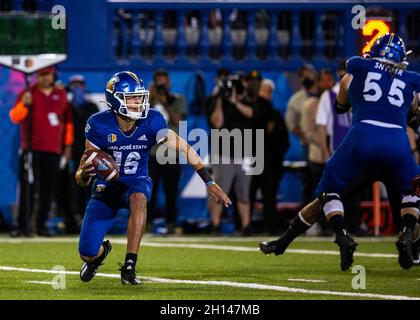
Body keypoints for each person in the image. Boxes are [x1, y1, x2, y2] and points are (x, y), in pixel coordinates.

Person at [259, 33, 420, 271]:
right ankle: (407, 234)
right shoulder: (411, 80)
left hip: (361, 139)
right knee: (412, 191)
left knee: (327, 193)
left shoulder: (354, 69)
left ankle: (343, 236)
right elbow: (414, 118)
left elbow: (341, 105)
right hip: (395, 143)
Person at [75, 71, 230, 285]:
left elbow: (185, 148)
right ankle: (100, 254)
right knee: (87, 252)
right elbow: (82, 178)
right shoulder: (98, 124)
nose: (139, 102)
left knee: (139, 198)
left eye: (140, 97)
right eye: (132, 98)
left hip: (136, 180)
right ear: (116, 99)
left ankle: (129, 266)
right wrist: (83, 173)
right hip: (107, 186)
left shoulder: (152, 120)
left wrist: (209, 181)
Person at [9, 66, 74, 237]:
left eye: (48, 74)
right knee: (27, 188)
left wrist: (67, 146)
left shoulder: (61, 95)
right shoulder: (28, 93)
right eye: (42, 75)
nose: (45, 78)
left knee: (48, 189)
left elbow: (67, 123)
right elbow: (15, 117)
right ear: (37, 76)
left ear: (53, 75)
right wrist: (24, 103)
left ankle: (41, 225)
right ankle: (22, 226)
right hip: (31, 149)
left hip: (53, 149)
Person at [206, 69, 255, 236]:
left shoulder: (248, 100)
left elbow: (252, 114)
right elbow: (217, 122)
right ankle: (215, 225)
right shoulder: (217, 101)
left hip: (245, 152)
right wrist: (220, 98)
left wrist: (235, 101)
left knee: (244, 193)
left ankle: (246, 225)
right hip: (223, 153)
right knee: (219, 191)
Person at [55, 75, 99, 234]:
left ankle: (87, 218)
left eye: (79, 84)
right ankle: (72, 219)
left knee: (89, 186)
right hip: (70, 153)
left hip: (89, 152)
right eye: (73, 84)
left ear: (84, 86)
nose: (77, 87)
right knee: (71, 186)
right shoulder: (65, 107)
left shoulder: (91, 107)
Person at [148, 69, 186, 234]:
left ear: (169, 83)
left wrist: (164, 102)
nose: (162, 86)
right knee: (149, 191)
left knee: (171, 191)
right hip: (152, 152)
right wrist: (150, 97)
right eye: (159, 82)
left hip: (171, 152)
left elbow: (177, 120)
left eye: (164, 82)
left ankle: (171, 223)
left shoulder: (177, 99)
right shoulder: (148, 100)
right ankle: (145, 223)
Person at [250, 78, 289, 235]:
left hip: (268, 156)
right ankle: (250, 224)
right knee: (259, 191)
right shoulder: (259, 107)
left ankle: (265, 224)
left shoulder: (269, 109)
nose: (267, 93)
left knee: (266, 191)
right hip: (260, 155)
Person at [285, 64, 318, 207]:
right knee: (309, 180)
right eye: (303, 75)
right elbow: (291, 124)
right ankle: (308, 220)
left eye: (308, 73)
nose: (306, 77)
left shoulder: (323, 94)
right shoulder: (296, 100)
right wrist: (303, 135)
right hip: (309, 146)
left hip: (329, 144)